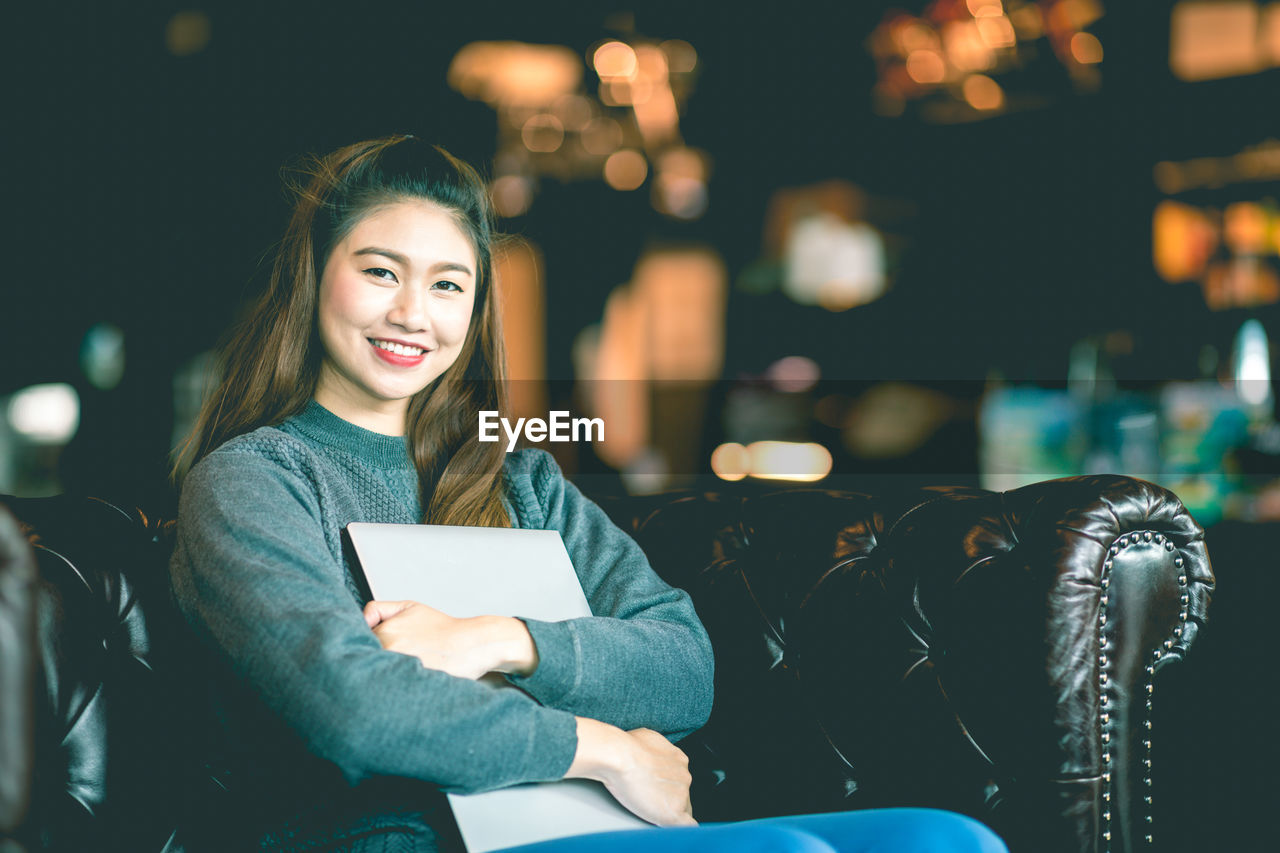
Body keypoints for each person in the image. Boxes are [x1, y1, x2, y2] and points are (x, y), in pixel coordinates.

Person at [169, 134, 1007, 853]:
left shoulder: (517, 474)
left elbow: (684, 665)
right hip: (392, 837)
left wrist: (500, 638)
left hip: (573, 829)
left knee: (948, 839)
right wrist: (600, 748)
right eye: (380, 271)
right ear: (315, 277)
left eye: (449, 284)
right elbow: (352, 709)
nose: (413, 313)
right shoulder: (254, 478)